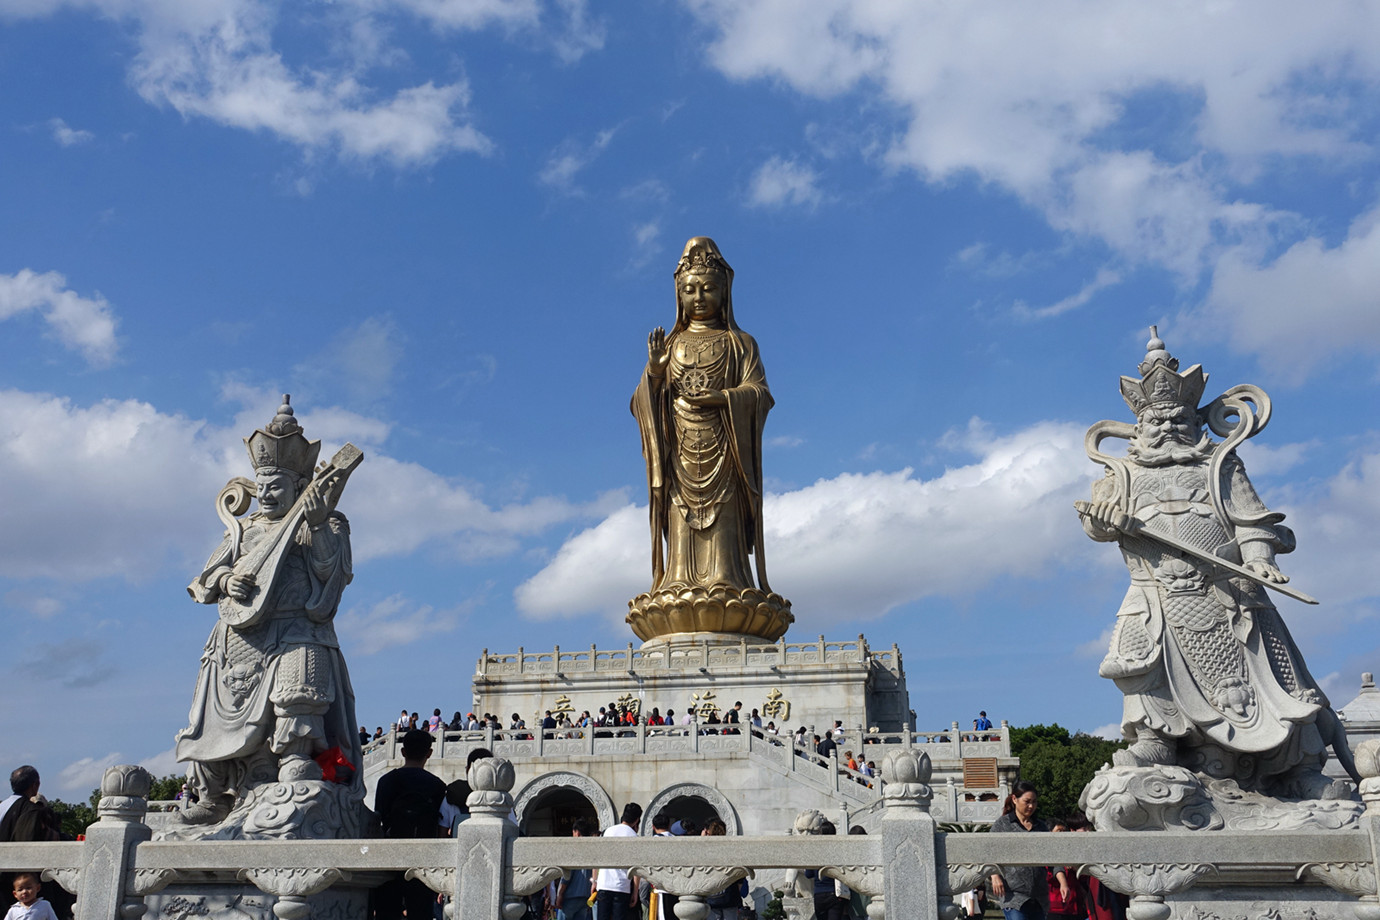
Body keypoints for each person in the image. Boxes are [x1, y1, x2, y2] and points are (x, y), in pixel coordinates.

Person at [1079, 330, 1358, 797]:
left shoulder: (1221, 466)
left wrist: (1258, 558)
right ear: (1138, 426)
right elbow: (1097, 525)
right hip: (1157, 594)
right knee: (1139, 663)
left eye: (1177, 418)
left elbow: (1252, 521)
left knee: (1277, 680)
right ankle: (1156, 739)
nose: (1167, 428)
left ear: (1196, 419)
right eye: (1156, 421)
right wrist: (1107, 520)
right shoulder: (1122, 474)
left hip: (1229, 591)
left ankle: (1298, 764)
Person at [174, 398, 362, 825]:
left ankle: (297, 760)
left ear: (300, 484)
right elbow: (204, 579)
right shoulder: (247, 529)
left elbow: (333, 575)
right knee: (216, 708)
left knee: (299, 689)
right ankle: (218, 791)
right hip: (240, 636)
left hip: (299, 629)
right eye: (262, 483)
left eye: (277, 484)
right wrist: (225, 581)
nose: (266, 492)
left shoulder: (327, 522)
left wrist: (315, 526)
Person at [630, 237, 785, 642]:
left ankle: (727, 580)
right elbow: (642, 402)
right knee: (680, 523)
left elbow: (760, 393)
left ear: (724, 291)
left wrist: (724, 398)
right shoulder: (672, 344)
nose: (699, 297)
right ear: (678, 294)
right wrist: (654, 373)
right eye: (689, 289)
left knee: (725, 527)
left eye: (708, 288)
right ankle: (677, 581)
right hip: (679, 450)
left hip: (727, 447)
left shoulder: (740, 343)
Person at [373, 729, 446, 920]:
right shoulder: (437, 786)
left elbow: (379, 818)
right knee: (420, 912)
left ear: (402, 752)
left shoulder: (387, 781)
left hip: (390, 858)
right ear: (429, 753)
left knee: (386, 912)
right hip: (422, 859)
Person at [988, 781, 1069, 920]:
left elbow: (1053, 858)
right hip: (1013, 896)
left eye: (1034, 802)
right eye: (1027, 801)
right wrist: (995, 876)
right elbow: (988, 852)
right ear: (1014, 799)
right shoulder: (1003, 825)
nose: (1031, 806)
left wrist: (1063, 882)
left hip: (1039, 897)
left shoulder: (1041, 827)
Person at [0, 768, 71, 920]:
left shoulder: (2, 806)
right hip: (16, 879)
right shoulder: (31, 811)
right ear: (35, 785)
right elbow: (28, 842)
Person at [593, 803, 641, 920]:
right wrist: (635, 891)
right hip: (621, 887)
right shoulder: (633, 836)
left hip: (604, 885)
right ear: (637, 820)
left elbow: (597, 859)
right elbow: (637, 867)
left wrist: (595, 881)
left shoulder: (607, 832)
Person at [552, 816, 596, 920]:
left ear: (577, 833)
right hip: (586, 898)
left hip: (570, 897)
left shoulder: (572, 850)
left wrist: (560, 894)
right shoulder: (593, 851)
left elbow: (566, 876)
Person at [804, 821, 849, 920]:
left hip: (819, 894)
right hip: (835, 893)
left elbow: (808, 874)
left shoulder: (815, 852)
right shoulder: (839, 850)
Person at [703, 818, 746, 920]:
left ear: (708, 831)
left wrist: (702, 840)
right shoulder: (732, 849)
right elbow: (740, 875)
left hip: (711, 897)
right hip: (730, 896)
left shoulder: (705, 850)